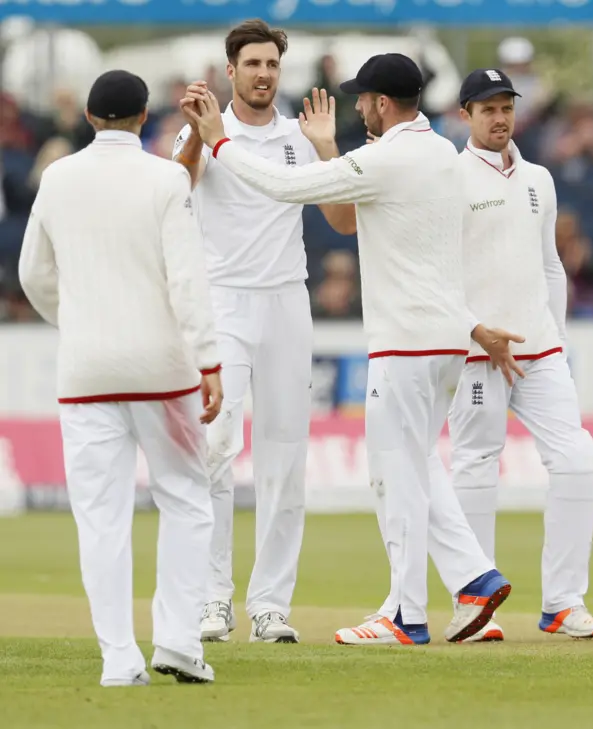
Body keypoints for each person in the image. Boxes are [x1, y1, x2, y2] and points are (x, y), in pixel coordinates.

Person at [182, 53, 520, 646]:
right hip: (445, 338)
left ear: (383, 104)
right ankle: (474, 577)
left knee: (394, 475)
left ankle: (404, 614)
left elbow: (284, 187)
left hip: (405, 344)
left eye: (363, 98)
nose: (357, 106)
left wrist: (219, 143)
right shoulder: (442, 151)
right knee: (417, 465)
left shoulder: (385, 157)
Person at [18, 70, 223, 686]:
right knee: (187, 501)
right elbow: (187, 277)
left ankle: (118, 660)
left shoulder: (56, 177)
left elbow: (33, 274)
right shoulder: (166, 178)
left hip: (86, 373)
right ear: (143, 115)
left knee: (100, 519)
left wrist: (77, 320)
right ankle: (180, 643)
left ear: (87, 114)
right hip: (163, 374)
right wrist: (209, 360)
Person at [173, 19, 355, 644]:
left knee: (284, 458)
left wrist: (328, 149)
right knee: (217, 449)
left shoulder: (299, 137)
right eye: (252, 64)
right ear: (231, 71)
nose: (263, 75)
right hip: (223, 304)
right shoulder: (203, 130)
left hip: (285, 303)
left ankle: (271, 605)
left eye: (272, 65)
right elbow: (177, 190)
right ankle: (212, 599)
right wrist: (202, 135)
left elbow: (343, 221)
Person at [444, 68, 593, 641]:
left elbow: (550, 266)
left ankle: (563, 604)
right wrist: (474, 331)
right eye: (487, 108)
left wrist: (554, 340)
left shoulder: (539, 177)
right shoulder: (449, 176)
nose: (500, 117)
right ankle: (472, 600)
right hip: (477, 354)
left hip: (540, 352)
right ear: (466, 115)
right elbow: (436, 275)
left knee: (578, 459)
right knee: (475, 466)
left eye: (506, 106)